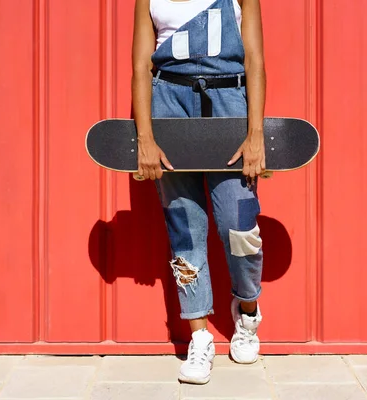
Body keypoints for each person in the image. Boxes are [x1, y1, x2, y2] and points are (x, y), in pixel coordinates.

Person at [131, 0, 266, 385]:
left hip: (229, 107)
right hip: (168, 107)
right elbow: (142, 66)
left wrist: (255, 134)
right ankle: (200, 336)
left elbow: (254, 60)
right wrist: (146, 138)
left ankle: (248, 308)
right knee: (184, 230)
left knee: (238, 227)